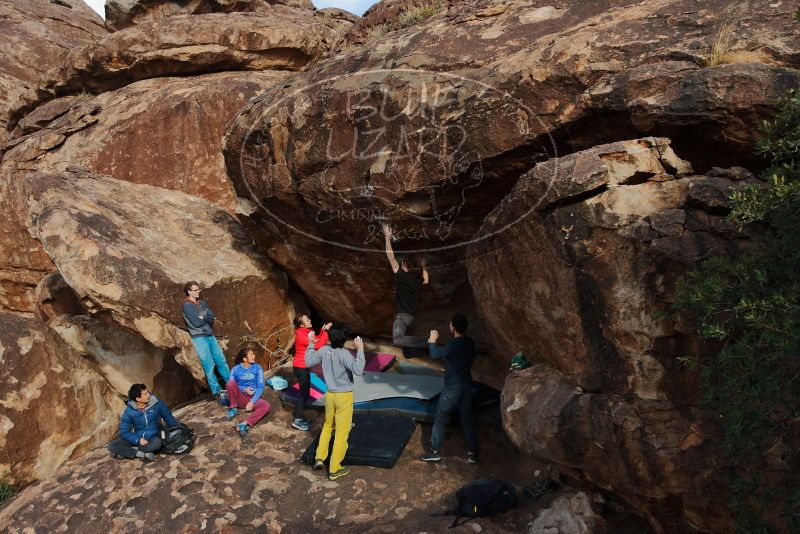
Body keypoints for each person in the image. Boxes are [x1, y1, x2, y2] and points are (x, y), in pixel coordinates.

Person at [305, 324, 366, 481]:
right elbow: (358, 370)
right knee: (341, 432)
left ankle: (319, 457)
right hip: (343, 396)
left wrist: (312, 342)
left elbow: (308, 362)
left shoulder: (324, 350)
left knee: (328, 426)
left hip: (330, 395)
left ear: (331, 337)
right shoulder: (344, 354)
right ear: (344, 339)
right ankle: (334, 469)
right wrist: (360, 349)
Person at [420, 313, 478, 464]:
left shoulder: (452, 345)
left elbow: (434, 355)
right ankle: (472, 454)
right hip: (467, 384)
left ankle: (435, 452)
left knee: (440, 416)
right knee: (466, 418)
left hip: (453, 386)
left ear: (452, 327)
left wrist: (432, 341)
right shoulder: (470, 342)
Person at [182, 281, 230, 404]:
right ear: (189, 291)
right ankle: (217, 392)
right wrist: (203, 317)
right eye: (195, 290)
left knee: (221, 361)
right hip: (199, 338)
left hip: (210, 335)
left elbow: (211, 317)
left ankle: (231, 385)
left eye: (198, 289)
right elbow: (196, 322)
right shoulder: (187, 305)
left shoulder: (203, 303)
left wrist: (203, 317)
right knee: (209, 366)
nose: (198, 291)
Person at [383, 225, 429, 350]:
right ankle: (420, 346)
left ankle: (428, 341)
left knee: (397, 339)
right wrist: (424, 267)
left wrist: (387, 237)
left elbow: (390, 256)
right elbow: (427, 280)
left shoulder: (403, 276)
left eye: (402, 262)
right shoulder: (418, 279)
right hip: (410, 317)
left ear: (405, 264)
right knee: (407, 350)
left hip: (402, 317)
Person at [108, 383, 178, 462]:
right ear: (138, 399)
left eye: (147, 392)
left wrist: (177, 428)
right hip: (137, 436)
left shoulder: (156, 403)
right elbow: (124, 432)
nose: (149, 395)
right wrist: (138, 439)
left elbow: (168, 416)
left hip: (153, 436)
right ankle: (140, 454)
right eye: (145, 394)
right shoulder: (129, 411)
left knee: (157, 444)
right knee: (112, 445)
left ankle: (126, 452)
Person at [292, 314, 332, 431]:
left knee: (305, 393)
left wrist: (322, 331)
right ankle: (297, 420)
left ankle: (299, 417)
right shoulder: (301, 334)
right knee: (304, 394)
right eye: (306, 320)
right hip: (300, 367)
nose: (310, 320)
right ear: (301, 324)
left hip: (303, 367)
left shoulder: (307, 331)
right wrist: (326, 332)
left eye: (309, 318)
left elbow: (317, 340)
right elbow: (317, 345)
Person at [226, 347, 271, 437]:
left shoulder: (258, 368)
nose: (254, 356)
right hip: (240, 398)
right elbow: (231, 385)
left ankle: (244, 424)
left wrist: (252, 401)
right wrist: (244, 389)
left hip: (253, 398)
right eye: (251, 354)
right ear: (245, 359)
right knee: (230, 383)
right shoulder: (235, 369)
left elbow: (261, 386)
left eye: (253, 354)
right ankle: (233, 408)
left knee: (266, 406)